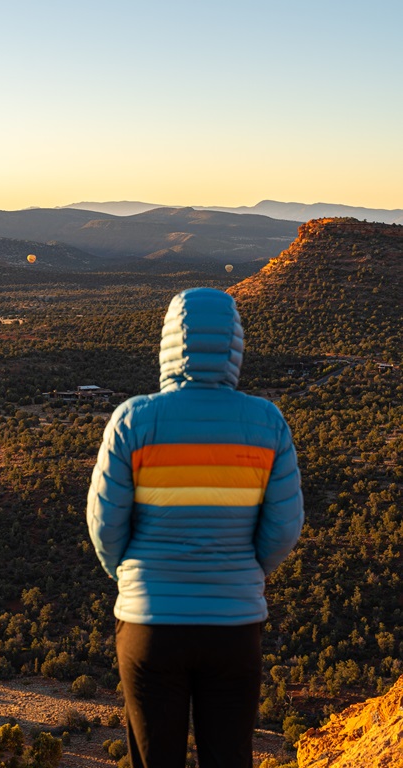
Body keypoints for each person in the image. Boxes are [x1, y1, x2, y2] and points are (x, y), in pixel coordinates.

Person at [87, 287, 303, 768]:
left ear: (167, 343)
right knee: (229, 757)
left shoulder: (133, 420)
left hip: (150, 624)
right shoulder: (267, 423)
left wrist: (131, 575)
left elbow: (104, 527)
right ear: (235, 345)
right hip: (234, 625)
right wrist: (246, 569)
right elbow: (285, 529)